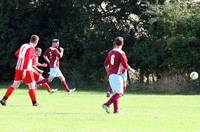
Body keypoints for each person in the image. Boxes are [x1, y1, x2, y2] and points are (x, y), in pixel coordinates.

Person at [0, 35, 40, 106]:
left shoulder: (24, 45)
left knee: (15, 85)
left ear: (30, 39)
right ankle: (35, 103)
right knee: (31, 85)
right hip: (26, 69)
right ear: (36, 42)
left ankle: (4, 99)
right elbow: (27, 59)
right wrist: (24, 70)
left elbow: (16, 54)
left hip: (18, 68)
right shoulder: (31, 48)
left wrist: (21, 60)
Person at [102, 36, 135, 113]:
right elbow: (125, 65)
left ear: (115, 43)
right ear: (122, 44)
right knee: (120, 93)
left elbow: (105, 64)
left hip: (111, 75)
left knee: (116, 93)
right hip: (117, 75)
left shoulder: (110, 52)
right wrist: (132, 70)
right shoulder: (121, 52)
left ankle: (116, 111)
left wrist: (108, 72)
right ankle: (106, 104)